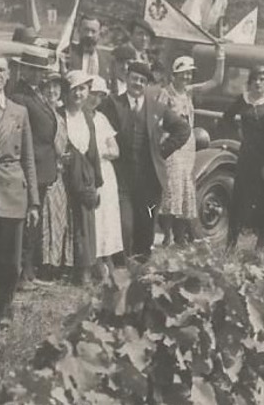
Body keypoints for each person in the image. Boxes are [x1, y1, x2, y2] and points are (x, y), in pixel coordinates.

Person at [0, 55, 40, 332]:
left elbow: (27, 157)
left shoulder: (19, 111)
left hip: (14, 190)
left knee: (10, 263)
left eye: (1, 70)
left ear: (8, 75)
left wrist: (34, 202)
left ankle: (0, 317)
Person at [109, 58, 190, 259]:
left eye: (142, 81)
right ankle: (123, 264)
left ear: (146, 85)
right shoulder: (112, 104)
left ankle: (142, 266)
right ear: (127, 79)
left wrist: (161, 151)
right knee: (125, 225)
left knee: (146, 224)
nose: (137, 84)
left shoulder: (156, 108)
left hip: (149, 179)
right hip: (122, 177)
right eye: (134, 79)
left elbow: (183, 129)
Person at [12, 64, 64, 282]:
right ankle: (23, 271)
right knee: (27, 221)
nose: (37, 74)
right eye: (32, 70)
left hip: (43, 168)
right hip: (30, 168)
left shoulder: (36, 94)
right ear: (23, 71)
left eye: (40, 70)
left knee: (34, 221)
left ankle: (28, 268)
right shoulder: (20, 96)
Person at [219, 63, 264, 249]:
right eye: (254, 80)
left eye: (262, 80)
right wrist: (238, 135)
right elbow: (227, 117)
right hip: (246, 155)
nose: (258, 84)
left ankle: (261, 244)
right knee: (240, 198)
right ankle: (231, 243)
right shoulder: (243, 100)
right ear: (249, 82)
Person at [59, 71, 102, 283]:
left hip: (85, 173)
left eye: (82, 89)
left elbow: (92, 149)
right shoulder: (59, 115)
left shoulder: (87, 116)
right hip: (65, 174)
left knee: (86, 219)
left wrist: (97, 180)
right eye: (74, 89)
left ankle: (85, 267)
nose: (78, 93)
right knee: (67, 218)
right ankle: (64, 266)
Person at [156, 55, 202, 245]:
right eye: (182, 73)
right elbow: (157, 119)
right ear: (174, 75)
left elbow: (215, 81)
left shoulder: (188, 93)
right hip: (173, 143)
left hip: (188, 146)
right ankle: (166, 234)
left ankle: (180, 236)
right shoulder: (166, 93)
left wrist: (220, 55)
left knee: (184, 188)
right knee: (172, 188)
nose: (186, 77)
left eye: (189, 74)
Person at [85, 77, 125, 264]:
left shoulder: (101, 119)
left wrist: (99, 152)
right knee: (92, 215)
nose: (95, 100)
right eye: (92, 94)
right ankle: (92, 258)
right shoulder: (78, 116)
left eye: (99, 96)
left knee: (107, 215)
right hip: (87, 172)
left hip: (105, 172)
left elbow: (115, 150)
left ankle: (106, 256)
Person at [61, 16, 114, 88]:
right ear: (79, 30)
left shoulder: (106, 60)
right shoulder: (68, 52)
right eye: (86, 30)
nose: (89, 35)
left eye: (93, 31)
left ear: (99, 33)